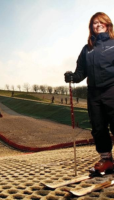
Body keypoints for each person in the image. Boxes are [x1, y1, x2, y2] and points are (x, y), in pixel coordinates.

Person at [64, 12, 114, 174]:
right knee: (98, 127)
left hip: (112, 89)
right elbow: (81, 73)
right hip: (94, 93)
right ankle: (106, 160)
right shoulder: (87, 49)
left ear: (107, 24)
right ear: (91, 27)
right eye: (94, 23)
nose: (97, 25)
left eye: (101, 22)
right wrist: (73, 76)